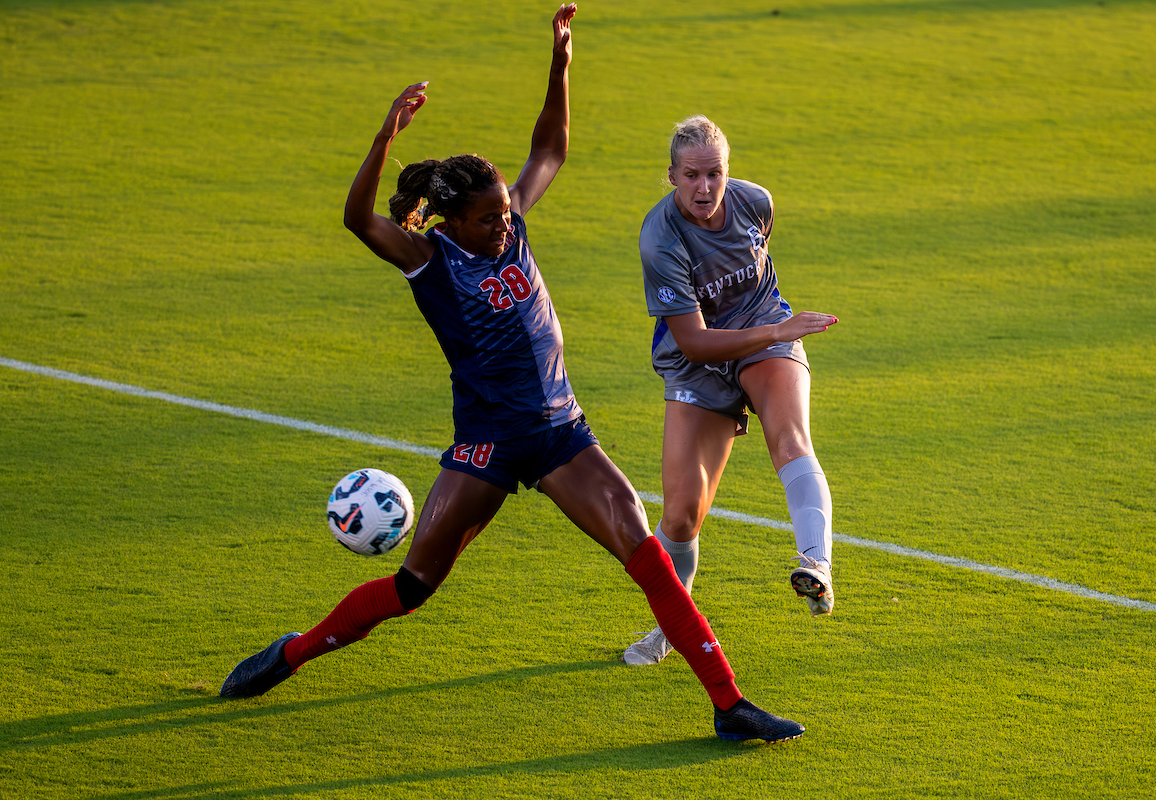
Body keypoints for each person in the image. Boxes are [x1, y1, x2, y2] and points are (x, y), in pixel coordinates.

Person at [219, 6, 804, 743]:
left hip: (561, 431)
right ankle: (292, 654)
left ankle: (729, 703)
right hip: (489, 446)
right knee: (413, 586)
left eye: (505, 212)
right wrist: (382, 140)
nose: (505, 224)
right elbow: (357, 219)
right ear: (451, 219)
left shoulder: (513, 222)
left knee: (645, 551)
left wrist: (560, 63)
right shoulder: (428, 259)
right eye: (490, 217)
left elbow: (551, 148)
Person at [623, 115, 839, 667]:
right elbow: (694, 343)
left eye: (714, 173)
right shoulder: (660, 240)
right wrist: (776, 332)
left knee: (789, 439)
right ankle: (673, 625)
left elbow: (758, 261)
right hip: (698, 360)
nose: (704, 187)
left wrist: (768, 335)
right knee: (680, 515)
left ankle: (816, 565)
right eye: (691, 175)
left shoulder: (755, 203)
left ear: (728, 172)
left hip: (765, 333)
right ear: (671, 175)